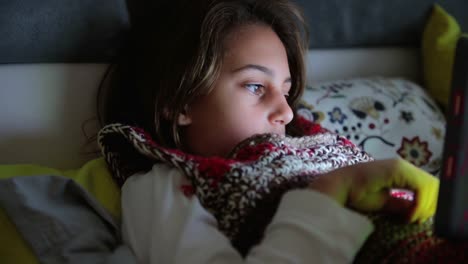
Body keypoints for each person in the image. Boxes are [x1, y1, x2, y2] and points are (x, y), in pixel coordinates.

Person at [98, 0, 439, 262]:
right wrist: (332, 191)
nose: (287, 112)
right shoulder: (162, 190)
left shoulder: (314, 147)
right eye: (256, 87)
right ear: (179, 101)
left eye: (287, 92)